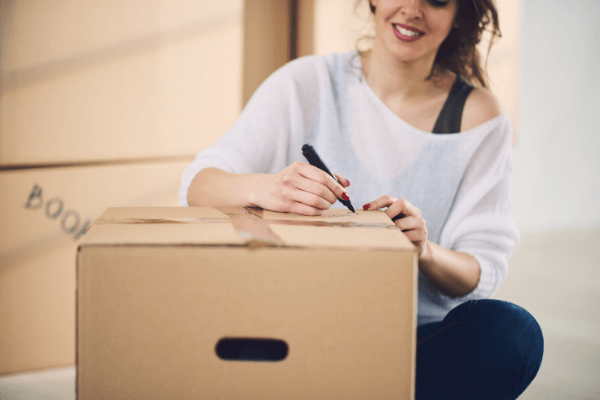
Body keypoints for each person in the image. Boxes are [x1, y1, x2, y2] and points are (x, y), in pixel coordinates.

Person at [180, 0, 544, 398]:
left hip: (413, 343)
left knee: (514, 332)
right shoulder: (307, 82)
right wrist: (265, 188)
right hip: (301, 325)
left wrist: (423, 250)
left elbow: (480, 270)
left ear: (461, 13)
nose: (412, 9)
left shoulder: (479, 116)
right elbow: (197, 185)